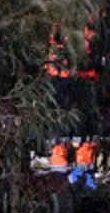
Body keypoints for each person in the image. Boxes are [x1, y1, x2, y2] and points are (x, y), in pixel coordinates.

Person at [44, 19, 103, 180]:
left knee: (77, 123)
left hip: (75, 81)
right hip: (68, 82)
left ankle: (74, 167)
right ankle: (71, 167)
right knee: (73, 122)